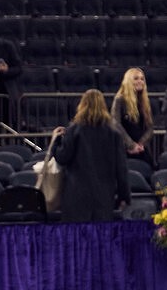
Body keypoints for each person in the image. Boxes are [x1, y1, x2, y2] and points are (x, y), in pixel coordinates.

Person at [50, 89, 129, 222]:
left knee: (77, 239)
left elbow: (63, 157)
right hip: (104, 196)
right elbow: (121, 168)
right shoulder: (114, 133)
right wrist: (124, 196)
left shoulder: (74, 129)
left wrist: (55, 141)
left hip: (76, 195)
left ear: (82, 105)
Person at [110, 67, 154, 168]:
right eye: (136, 78)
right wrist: (131, 145)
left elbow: (150, 127)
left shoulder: (145, 102)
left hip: (141, 149)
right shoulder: (120, 100)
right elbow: (115, 124)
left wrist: (141, 144)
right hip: (124, 148)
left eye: (142, 79)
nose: (140, 81)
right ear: (129, 81)